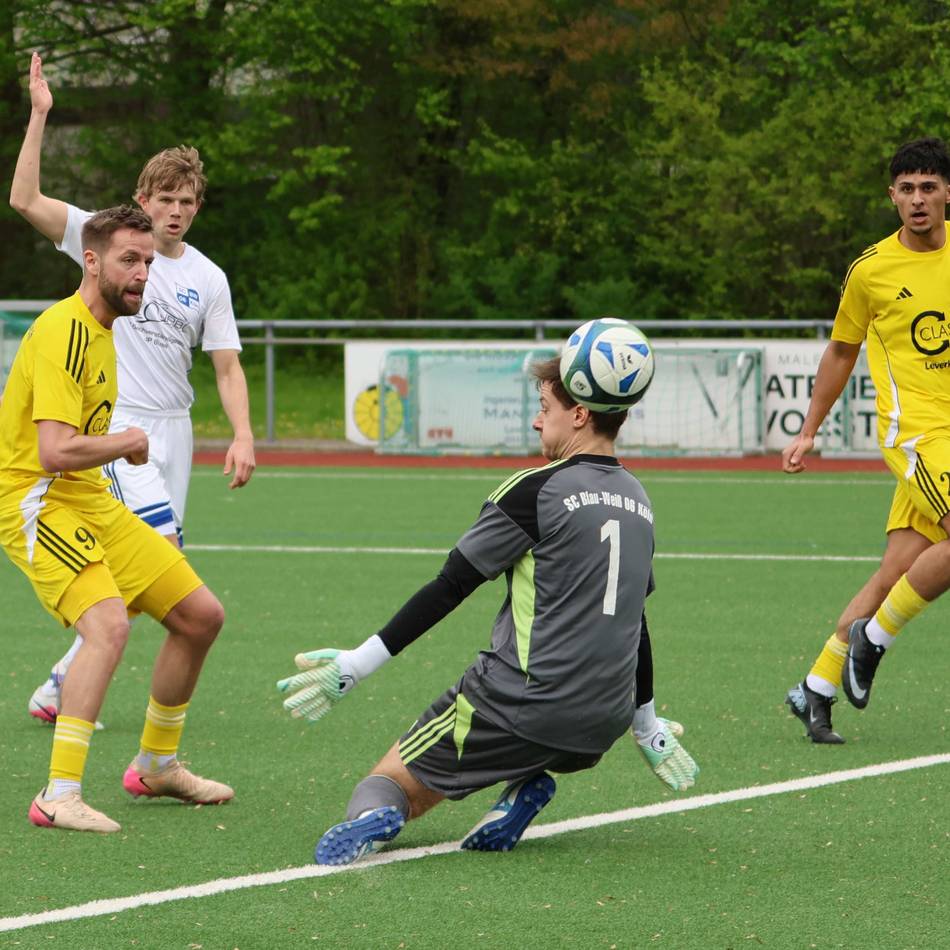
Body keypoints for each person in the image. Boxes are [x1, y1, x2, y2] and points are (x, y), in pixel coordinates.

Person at [278, 356, 698, 865]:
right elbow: (635, 619)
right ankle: (519, 791)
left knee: (387, 783)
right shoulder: (639, 499)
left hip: (521, 705)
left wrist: (355, 664)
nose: (537, 421)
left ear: (580, 415)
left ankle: (375, 815)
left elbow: (450, 586)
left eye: (545, 408)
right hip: (600, 724)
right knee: (531, 739)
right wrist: (645, 723)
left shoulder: (534, 490)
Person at [10, 52, 256, 725]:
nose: (175, 212)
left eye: (187, 202)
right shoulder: (108, 238)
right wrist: (40, 115)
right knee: (164, 561)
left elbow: (227, 366)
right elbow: (25, 200)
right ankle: (79, 693)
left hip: (174, 430)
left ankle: (62, 681)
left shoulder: (208, 278)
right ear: (142, 201)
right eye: (164, 200)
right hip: (119, 428)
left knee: (151, 573)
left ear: (197, 207)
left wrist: (242, 434)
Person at [0, 205, 233, 833]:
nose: (143, 274)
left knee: (200, 616)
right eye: (129, 260)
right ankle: (58, 795)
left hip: (87, 497)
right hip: (36, 499)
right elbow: (54, 452)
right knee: (106, 627)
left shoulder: (105, 330)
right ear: (92, 261)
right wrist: (126, 441)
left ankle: (157, 765)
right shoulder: (65, 333)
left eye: (148, 262)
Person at [782, 136, 950, 742]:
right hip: (918, 435)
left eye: (928, 186)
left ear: (948, 192)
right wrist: (808, 430)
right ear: (892, 197)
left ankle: (817, 686)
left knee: (896, 573)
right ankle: (872, 641)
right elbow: (840, 351)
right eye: (906, 189)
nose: (917, 199)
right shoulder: (871, 270)